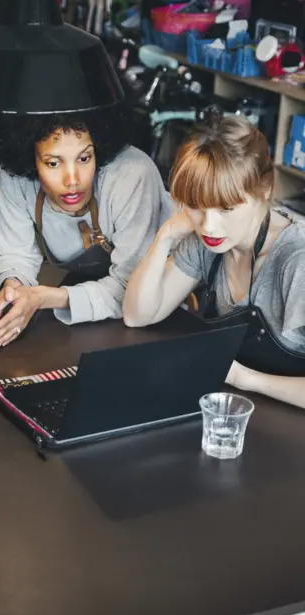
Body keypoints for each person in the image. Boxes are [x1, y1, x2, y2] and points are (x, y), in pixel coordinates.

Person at [123, 114, 305, 409]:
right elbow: (138, 315)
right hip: (235, 409)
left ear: (264, 190)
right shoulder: (209, 241)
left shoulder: (297, 260)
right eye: (196, 206)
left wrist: (245, 379)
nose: (208, 226)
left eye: (226, 208)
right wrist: (166, 235)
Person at [0, 108, 172, 349]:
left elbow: (131, 288)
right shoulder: (16, 176)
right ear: (29, 161)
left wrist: (43, 297)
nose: (72, 180)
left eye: (84, 158)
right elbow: (15, 253)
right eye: (53, 163)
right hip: (96, 319)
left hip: (159, 310)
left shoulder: (132, 175)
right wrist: (12, 289)